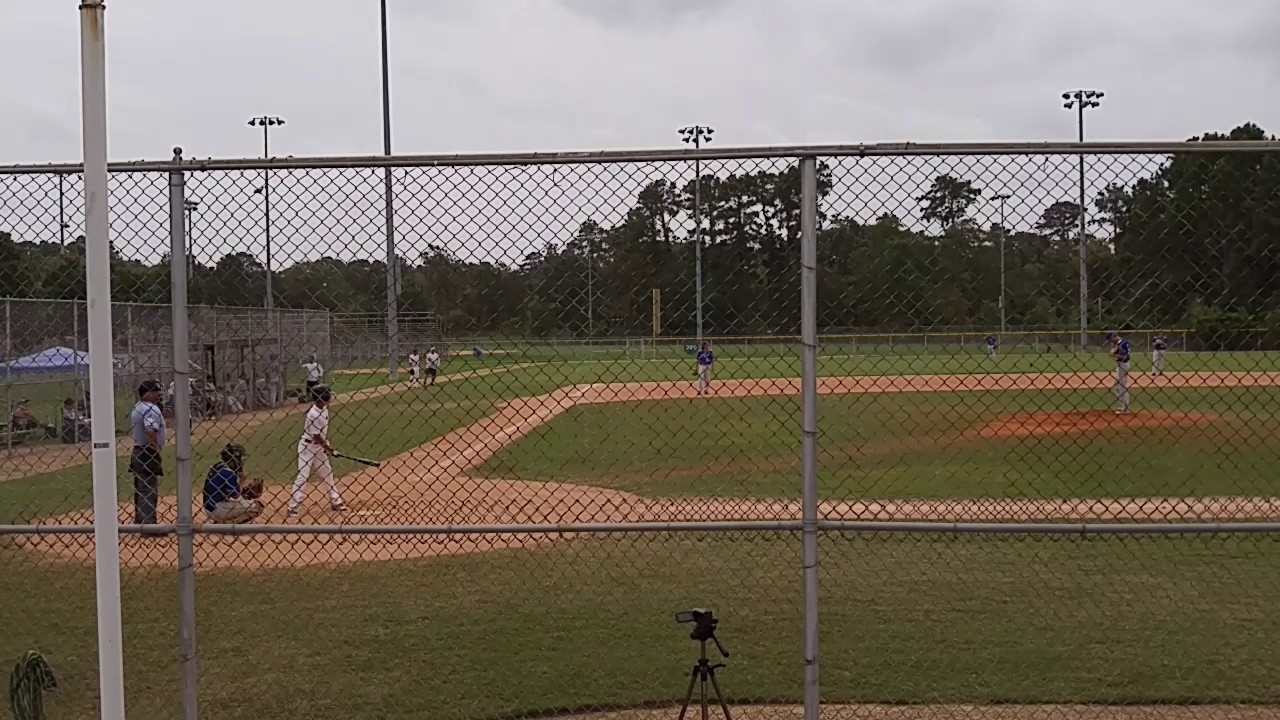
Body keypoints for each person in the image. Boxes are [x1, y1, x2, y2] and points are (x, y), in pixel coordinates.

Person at [286, 384, 346, 517]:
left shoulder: (323, 408)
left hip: (319, 447)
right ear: (323, 397)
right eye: (329, 394)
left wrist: (326, 447)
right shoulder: (314, 414)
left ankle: (335, 501)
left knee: (327, 473)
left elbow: (321, 435)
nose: (331, 396)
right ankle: (293, 507)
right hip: (307, 448)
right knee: (303, 476)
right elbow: (316, 436)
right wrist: (329, 449)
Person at [129, 380, 167, 533]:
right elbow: (150, 429)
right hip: (147, 451)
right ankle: (148, 524)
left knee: (141, 487)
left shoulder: (138, 406)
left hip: (138, 449)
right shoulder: (151, 408)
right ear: (149, 393)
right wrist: (155, 447)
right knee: (148, 488)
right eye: (156, 392)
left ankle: (140, 520)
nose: (159, 395)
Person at [202, 443, 264, 524]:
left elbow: (226, 491)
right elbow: (236, 496)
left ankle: (220, 523)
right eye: (239, 458)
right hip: (217, 509)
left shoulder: (218, 466)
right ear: (234, 459)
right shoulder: (228, 473)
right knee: (257, 506)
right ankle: (227, 526)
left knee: (245, 501)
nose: (240, 461)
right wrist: (242, 481)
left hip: (210, 507)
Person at [1106, 332, 1131, 415]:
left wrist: (1113, 355)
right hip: (1120, 365)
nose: (1111, 342)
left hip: (1123, 365)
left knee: (1122, 386)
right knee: (1116, 386)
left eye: (1111, 340)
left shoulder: (1122, 343)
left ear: (1114, 336)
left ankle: (1125, 408)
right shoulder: (1120, 343)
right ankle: (1122, 406)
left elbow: (1125, 357)